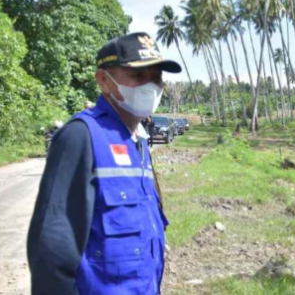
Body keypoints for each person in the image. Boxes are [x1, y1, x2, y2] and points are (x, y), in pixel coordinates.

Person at [27, 32, 181, 295]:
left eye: (156, 78)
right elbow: (51, 250)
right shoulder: (81, 136)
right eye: (138, 75)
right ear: (103, 80)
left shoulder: (140, 143)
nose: (150, 86)